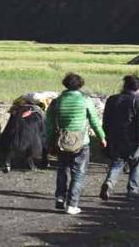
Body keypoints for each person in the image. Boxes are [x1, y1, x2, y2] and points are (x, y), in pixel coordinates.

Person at [45, 72, 106, 215]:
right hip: (82, 143)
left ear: (65, 84)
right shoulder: (86, 101)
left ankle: (60, 197)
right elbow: (94, 121)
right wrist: (102, 137)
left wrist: (49, 141)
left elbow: (49, 124)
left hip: (62, 142)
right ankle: (72, 204)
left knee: (62, 171)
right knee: (78, 173)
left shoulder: (57, 101)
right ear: (80, 85)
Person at [100, 75, 139, 201]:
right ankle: (132, 191)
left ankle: (109, 182)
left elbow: (105, 120)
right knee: (136, 165)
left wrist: (106, 136)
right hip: (133, 139)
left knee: (117, 161)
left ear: (124, 85)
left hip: (115, 137)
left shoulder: (112, 99)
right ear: (138, 87)